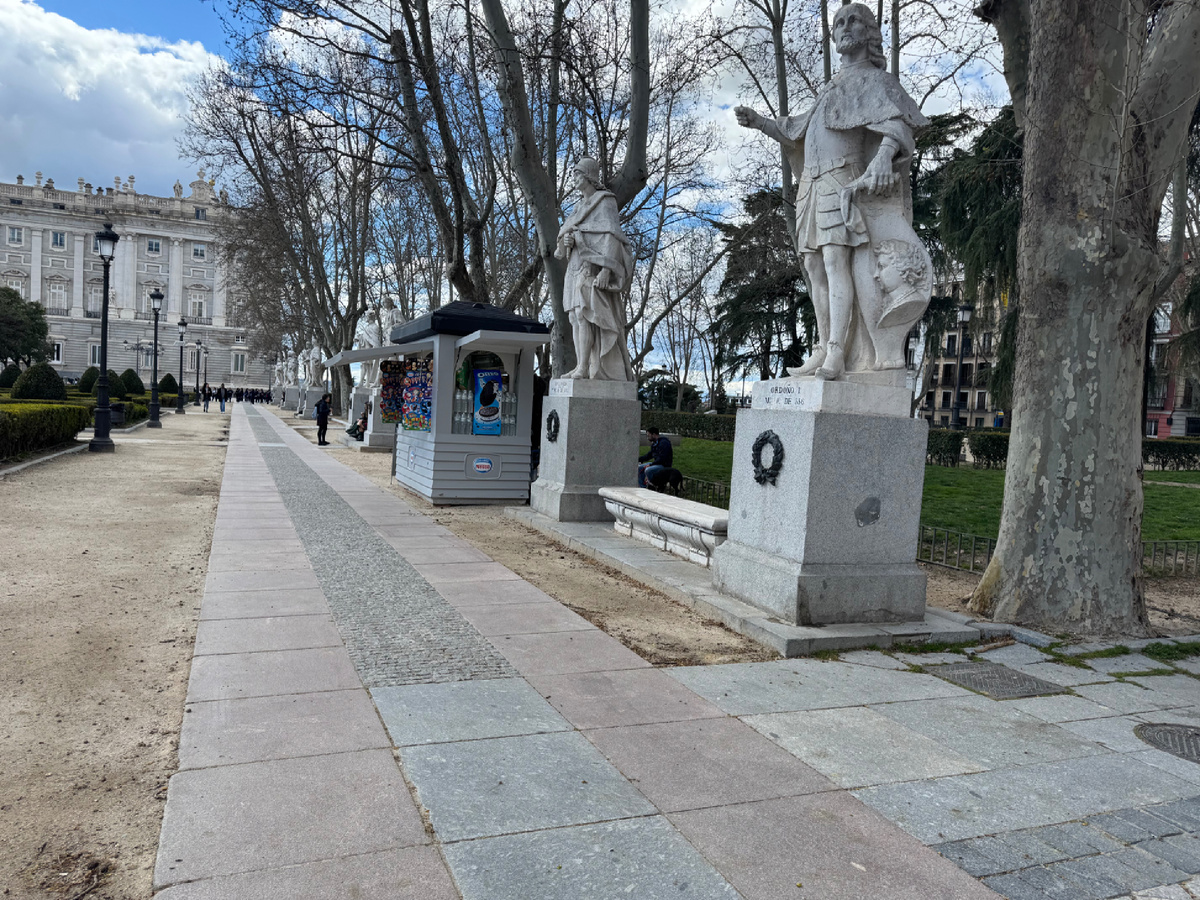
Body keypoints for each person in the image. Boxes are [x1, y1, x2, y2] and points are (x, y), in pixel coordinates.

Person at [734, 2, 927, 380]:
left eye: (852, 20)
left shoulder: (878, 82)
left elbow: (898, 126)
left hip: (844, 182)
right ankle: (823, 346)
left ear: (869, 32)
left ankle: (838, 352)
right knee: (814, 266)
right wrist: (760, 123)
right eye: (838, 22)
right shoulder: (830, 88)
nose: (842, 27)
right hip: (812, 186)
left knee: (837, 262)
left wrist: (883, 159)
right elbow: (797, 132)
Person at [555, 156, 635, 381]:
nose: (574, 178)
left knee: (584, 315)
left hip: (592, 267)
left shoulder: (605, 201)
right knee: (573, 317)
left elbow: (612, 237)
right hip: (574, 265)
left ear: (589, 176)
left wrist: (606, 271)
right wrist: (567, 242)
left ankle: (584, 368)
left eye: (577, 173)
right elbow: (562, 241)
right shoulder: (578, 207)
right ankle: (580, 365)